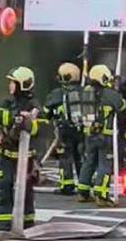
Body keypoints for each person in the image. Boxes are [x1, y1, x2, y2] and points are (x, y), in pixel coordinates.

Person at [0, 67, 46, 231]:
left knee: (26, 190)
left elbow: (42, 127)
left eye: (13, 82)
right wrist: (14, 118)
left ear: (22, 85)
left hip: (26, 157)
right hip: (6, 154)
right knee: (5, 185)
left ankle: (28, 223)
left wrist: (30, 124)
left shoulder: (34, 106)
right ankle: (3, 224)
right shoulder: (8, 102)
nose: (10, 85)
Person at [77, 64, 126, 206]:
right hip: (106, 136)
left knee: (88, 162)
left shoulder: (85, 92)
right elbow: (123, 107)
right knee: (105, 165)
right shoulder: (110, 95)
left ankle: (83, 192)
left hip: (88, 134)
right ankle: (102, 195)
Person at [43, 62, 85, 196]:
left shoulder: (57, 94)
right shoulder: (84, 92)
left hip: (64, 131)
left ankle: (66, 185)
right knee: (81, 157)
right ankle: (84, 184)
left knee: (65, 158)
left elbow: (46, 111)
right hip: (81, 130)